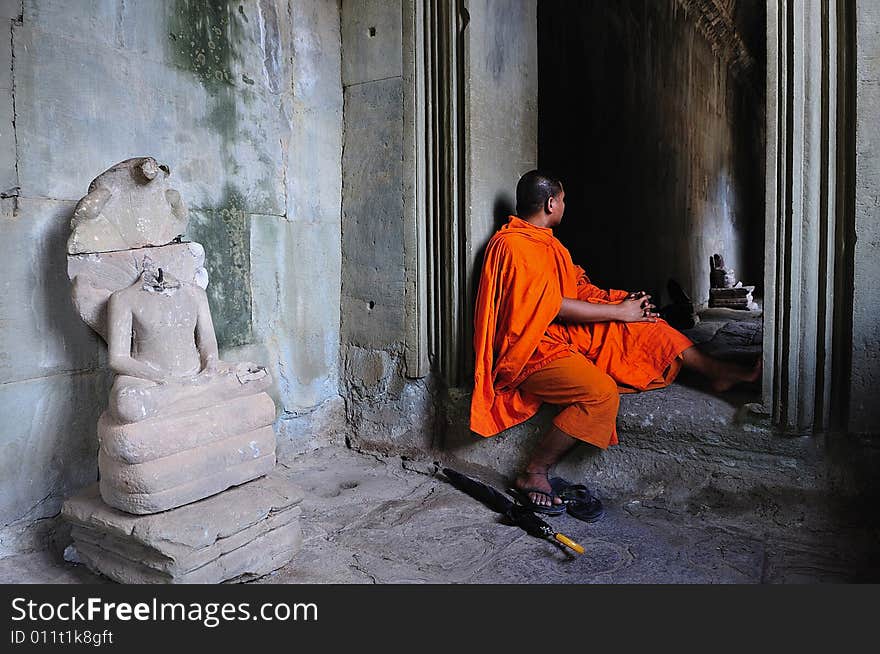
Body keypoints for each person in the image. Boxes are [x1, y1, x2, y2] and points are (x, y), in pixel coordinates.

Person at [470, 170, 761, 513]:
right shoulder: (514, 246)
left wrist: (619, 302)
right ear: (551, 203)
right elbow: (554, 306)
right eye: (563, 200)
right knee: (600, 394)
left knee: (651, 326)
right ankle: (535, 471)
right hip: (532, 348)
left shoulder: (548, 243)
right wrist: (619, 313)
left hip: (562, 333)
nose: (565, 206)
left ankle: (718, 371)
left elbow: (575, 290)